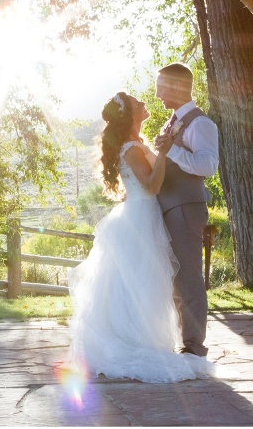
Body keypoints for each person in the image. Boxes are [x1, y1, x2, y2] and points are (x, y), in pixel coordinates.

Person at [66, 91, 216, 383]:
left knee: (143, 281)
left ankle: (143, 339)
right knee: (142, 282)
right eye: (138, 103)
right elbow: (151, 186)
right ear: (130, 115)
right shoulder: (132, 147)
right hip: (140, 216)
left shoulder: (135, 143)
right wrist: (164, 151)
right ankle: (137, 343)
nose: (144, 103)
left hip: (144, 215)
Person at [153, 63, 219, 358]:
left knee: (188, 279)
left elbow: (208, 166)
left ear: (178, 87)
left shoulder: (200, 123)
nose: (157, 95)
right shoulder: (173, 122)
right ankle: (182, 341)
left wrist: (173, 151)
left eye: (161, 88)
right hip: (168, 207)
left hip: (185, 208)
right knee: (173, 279)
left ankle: (194, 348)